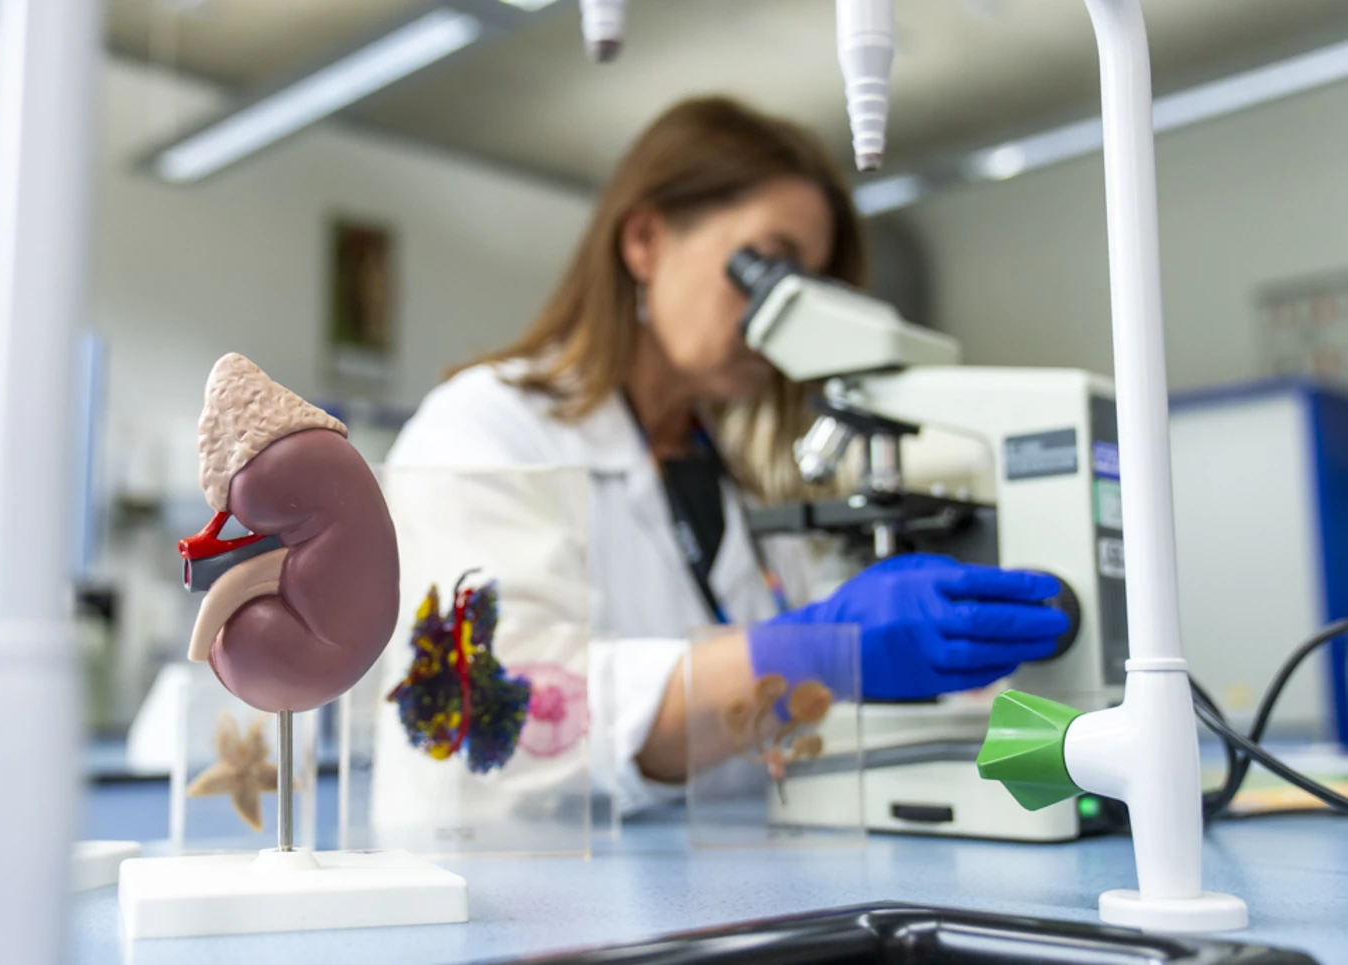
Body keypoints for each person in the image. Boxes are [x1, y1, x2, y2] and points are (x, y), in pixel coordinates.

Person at [385, 96, 1068, 812]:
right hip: (511, 898)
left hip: (713, 893)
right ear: (645, 238)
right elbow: (489, 707)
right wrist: (806, 651)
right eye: (765, 267)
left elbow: (808, 711)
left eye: (811, 286)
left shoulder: (737, 479)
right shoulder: (481, 430)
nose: (779, 318)